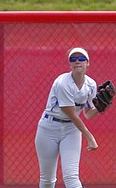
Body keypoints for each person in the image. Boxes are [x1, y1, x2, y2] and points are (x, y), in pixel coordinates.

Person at [35, 47, 100, 188]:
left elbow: (88, 113)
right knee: (47, 180)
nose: (77, 61)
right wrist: (89, 137)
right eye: (73, 59)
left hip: (71, 129)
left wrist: (100, 108)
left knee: (71, 177)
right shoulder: (62, 83)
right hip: (49, 128)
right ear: (69, 64)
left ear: (88, 63)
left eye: (81, 59)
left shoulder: (91, 84)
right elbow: (71, 113)